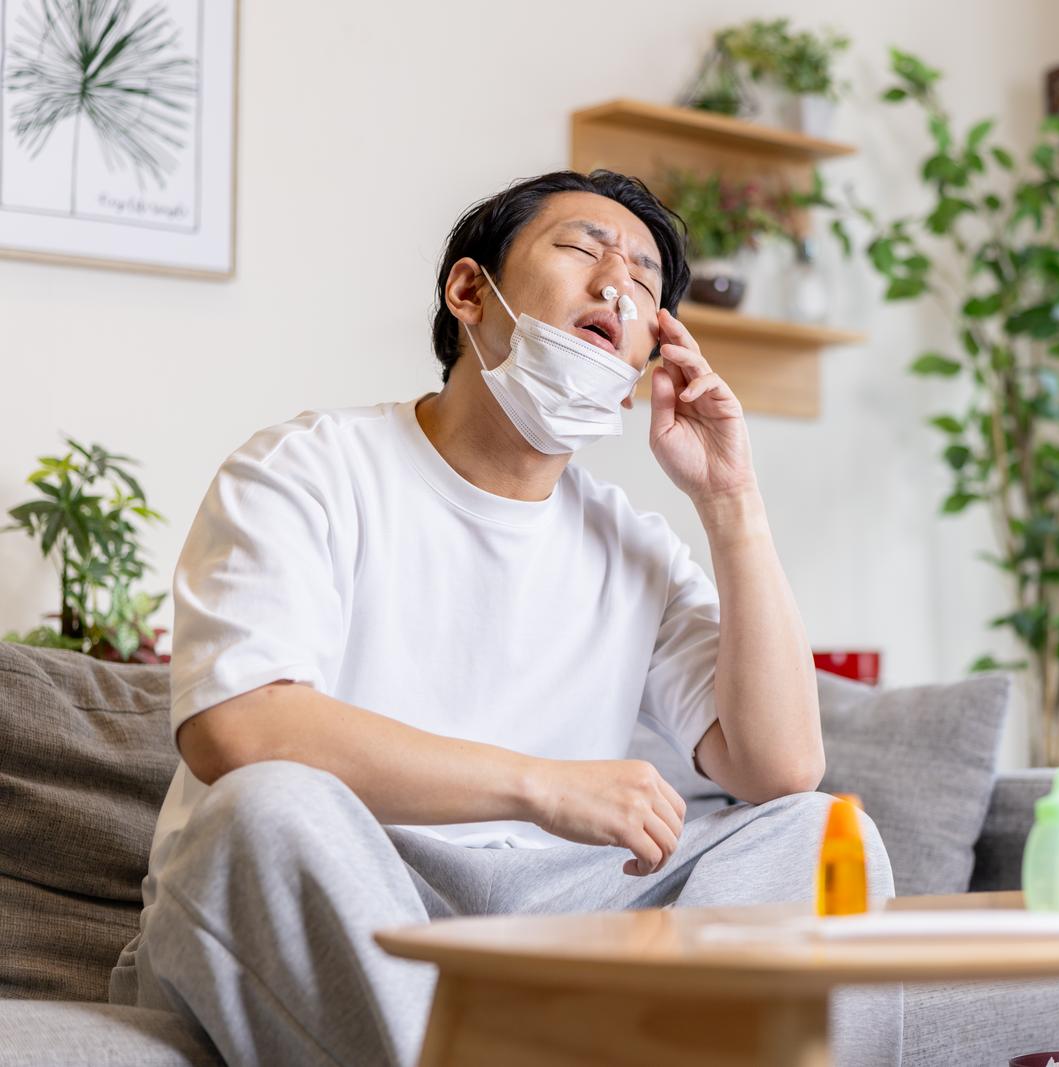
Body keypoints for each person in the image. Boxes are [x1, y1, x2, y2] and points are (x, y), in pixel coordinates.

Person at [108, 169, 900, 1066]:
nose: (618, 286)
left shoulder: (634, 546)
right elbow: (240, 727)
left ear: (650, 357)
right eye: (582, 250)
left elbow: (781, 765)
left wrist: (732, 501)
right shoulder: (306, 467)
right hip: (354, 882)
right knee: (266, 803)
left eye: (645, 283)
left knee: (825, 835)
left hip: (557, 924)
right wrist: (545, 785)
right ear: (469, 291)